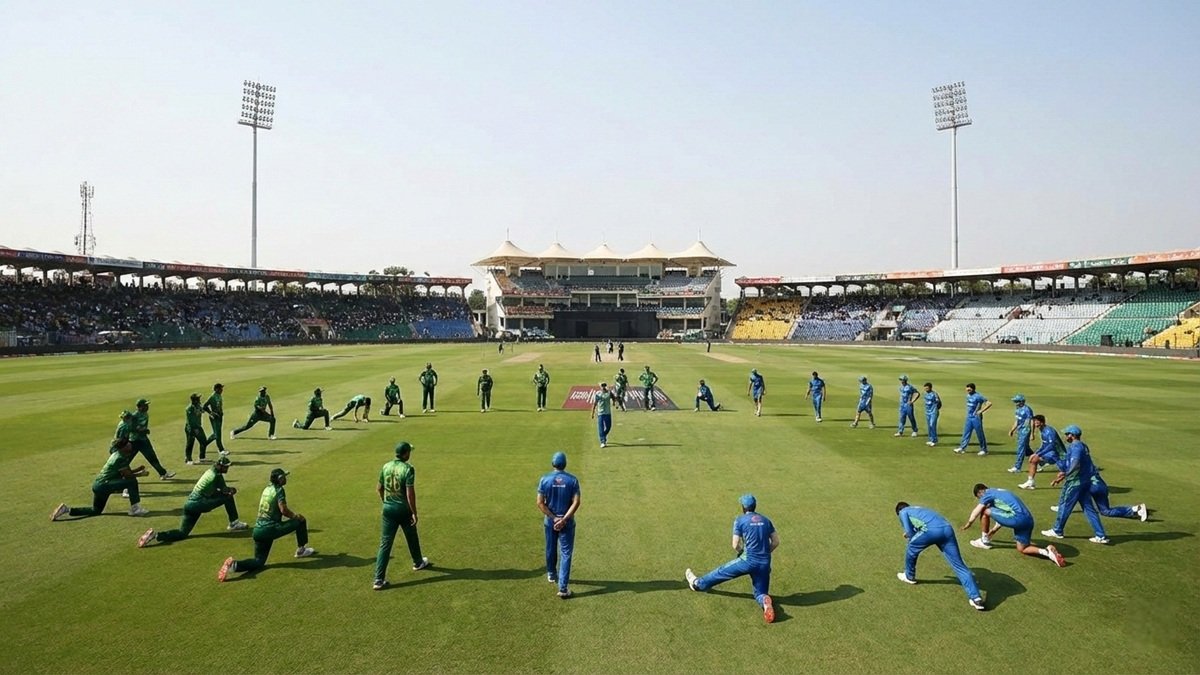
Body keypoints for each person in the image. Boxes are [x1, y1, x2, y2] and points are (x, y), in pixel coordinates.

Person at [685, 494, 779, 624]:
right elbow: (775, 542)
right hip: (764, 563)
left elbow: (735, 544)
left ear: (743, 507)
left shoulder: (740, 520)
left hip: (747, 561)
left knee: (721, 572)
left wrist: (741, 552)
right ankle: (764, 601)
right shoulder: (766, 520)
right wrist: (764, 553)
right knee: (760, 592)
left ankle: (697, 584)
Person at [218, 468, 315, 582]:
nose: (285, 479)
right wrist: (295, 516)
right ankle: (301, 550)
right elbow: (283, 510)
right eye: (283, 477)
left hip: (258, 531)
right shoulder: (279, 490)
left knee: (259, 561)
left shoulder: (266, 489)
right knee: (300, 521)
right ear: (279, 479)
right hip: (271, 529)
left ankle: (233, 565)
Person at [137, 456, 247, 547]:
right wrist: (232, 490)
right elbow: (224, 491)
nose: (227, 469)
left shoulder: (211, 471)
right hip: (200, 503)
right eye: (226, 467)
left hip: (189, 504)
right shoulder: (215, 476)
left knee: (182, 533)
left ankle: (156, 535)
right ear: (220, 466)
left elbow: (215, 491)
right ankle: (234, 523)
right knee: (228, 497)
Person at [894, 501, 985, 611]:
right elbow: (921, 523)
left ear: (899, 511)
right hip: (947, 530)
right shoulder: (919, 509)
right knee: (959, 566)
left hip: (931, 531)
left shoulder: (903, 512)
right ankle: (976, 598)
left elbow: (909, 531)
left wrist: (909, 536)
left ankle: (909, 576)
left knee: (911, 548)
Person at [373, 441, 432, 590]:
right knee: (411, 534)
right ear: (405, 454)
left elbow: (379, 488)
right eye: (409, 452)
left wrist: (385, 502)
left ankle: (378, 579)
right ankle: (417, 562)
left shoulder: (386, 466)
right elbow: (409, 494)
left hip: (388, 508)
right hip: (403, 509)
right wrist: (414, 512)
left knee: (385, 544)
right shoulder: (408, 468)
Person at [961, 483, 1065, 567]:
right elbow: (1004, 516)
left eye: (979, 497)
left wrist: (968, 523)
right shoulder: (1000, 492)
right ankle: (1047, 552)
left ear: (981, 492)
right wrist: (993, 531)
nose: (980, 500)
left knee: (984, 511)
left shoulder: (988, 494)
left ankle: (984, 541)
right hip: (1028, 520)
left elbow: (976, 511)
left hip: (1017, 519)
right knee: (1022, 548)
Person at [1040, 425, 1108, 544]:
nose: (1065, 436)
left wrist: (1066, 474)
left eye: (1067, 434)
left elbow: (1075, 463)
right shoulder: (1082, 446)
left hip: (1075, 482)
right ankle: (1100, 535)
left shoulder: (1076, 447)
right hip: (1085, 481)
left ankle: (1057, 530)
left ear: (1072, 435)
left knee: (1064, 505)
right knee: (1088, 509)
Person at [51, 439, 150, 520]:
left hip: (98, 485)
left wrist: (138, 470)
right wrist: (140, 474)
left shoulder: (117, 454)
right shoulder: (120, 458)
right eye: (128, 445)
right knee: (132, 482)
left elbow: (125, 473)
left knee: (96, 510)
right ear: (123, 448)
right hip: (105, 485)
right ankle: (135, 509)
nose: (130, 446)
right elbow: (127, 477)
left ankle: (67, 510)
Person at [537, 451, 581, 599]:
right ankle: (563, 587)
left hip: (550, 522)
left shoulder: (545, 480)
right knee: (566, 553)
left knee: (550, 547)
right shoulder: (573, 480)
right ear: (565, 464)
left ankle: (551, 574)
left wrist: (554, 518)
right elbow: (576, 502)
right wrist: (564, 519)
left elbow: (540, 503)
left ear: (553, 464)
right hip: (567, 523)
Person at [1053, 472, 1149, 523]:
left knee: (1077, 495)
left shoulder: (1079, 461)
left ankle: (1062, 510)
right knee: (1105, 511)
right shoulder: (1087, 463)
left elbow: (1073, 472)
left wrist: (1061, 477)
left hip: (1093, 487)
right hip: (1102, 486)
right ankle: (1136, 509)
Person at [130, 398, 175, 479]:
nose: (147, 407)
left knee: (152, 457)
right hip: (134, 441)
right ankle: (116, 476)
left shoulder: (145, 414)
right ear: (139, 407)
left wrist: (144, 431)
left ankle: (163, 473)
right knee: (126, 460)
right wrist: (143, 430)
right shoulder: (134, 416)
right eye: (145, 405)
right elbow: (132, 428)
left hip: (143, 440)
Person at [1018, 415, 1065, 490]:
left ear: (1042, 422)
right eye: (1034, 421)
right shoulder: (1042, 431)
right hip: (1051, 454)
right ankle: (1030, 482)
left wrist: (1038, 454)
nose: (1035, 423)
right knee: (1034, 460)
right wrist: (1035, 453)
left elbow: (1051, 446)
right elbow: (1044, 445)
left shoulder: (1049, 431)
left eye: (1037, 422)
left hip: (1059, 455)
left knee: (1067, 472)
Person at [953, 383, 992, 456]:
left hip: (976, 418)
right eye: (967, 388)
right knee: (966, 433)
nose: (967, 390)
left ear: (973, 389)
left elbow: (989, 403)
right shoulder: (968, 396)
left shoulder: (978, 396)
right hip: (969, 417)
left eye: (969, 388)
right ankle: (962, 448)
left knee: (979, 434)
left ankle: (984, 450)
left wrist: (981, 411)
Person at [1007, 395, 1036, 473]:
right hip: (1020, 431)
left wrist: (1032, 434)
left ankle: (1017, 467)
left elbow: (1031, 421)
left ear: (1021, 401)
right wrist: (1012, 430)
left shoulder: (1027, 410)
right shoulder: (1017, 409)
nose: (1015, 403)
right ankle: (1039, 462)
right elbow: (1017, 421)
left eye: (1017, 401)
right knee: (1026, 449)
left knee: (1020, 449)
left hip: (1025, 431)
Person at [184, 393, 212, 465]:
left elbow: (203, 410)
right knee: (190, 443)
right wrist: (194, 430)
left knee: (203, 441)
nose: (199, 399)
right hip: (190, 428)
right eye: (198, 398)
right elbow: (190, 421)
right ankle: (188, 459)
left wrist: (210, 413)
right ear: (195, 400)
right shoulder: (189, 409)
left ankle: (202, 458)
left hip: (198, 427)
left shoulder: (198, 406)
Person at [203, 383, 227, 456]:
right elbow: (204, 406)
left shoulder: (219, 395)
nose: (222, 390)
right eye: (220, 388)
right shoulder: (213, 397)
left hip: (219, 416)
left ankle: (203, 445)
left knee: (216, 434)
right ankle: (221, 449)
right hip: (215, 417)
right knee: (217, 434)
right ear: (216, 389)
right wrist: (211, 413)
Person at [591, 382, 617, 448]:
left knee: (608, 427)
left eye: (604, 386)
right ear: (600, 387)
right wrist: (593, 412)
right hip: (601, 413)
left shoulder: (609, 393)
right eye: (602, 386)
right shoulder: (598, 394)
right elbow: (595, 403)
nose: (603, 387)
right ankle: (603, 441)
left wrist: (614, 402)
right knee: (601, 428)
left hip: (608, 412)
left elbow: (614, 397)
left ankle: (603, 435)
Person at [922, 382, 942, 447]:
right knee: (929, 426)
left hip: (933, 412)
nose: (926, 389)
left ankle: (934, 440)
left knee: (932, 425)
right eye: (925, 388)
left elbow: (939, 403)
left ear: (930, 388)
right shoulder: (925, 394)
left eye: (927, 388)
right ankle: (930, 439)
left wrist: (935, 409)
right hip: (927, 412)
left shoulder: (934, 394)